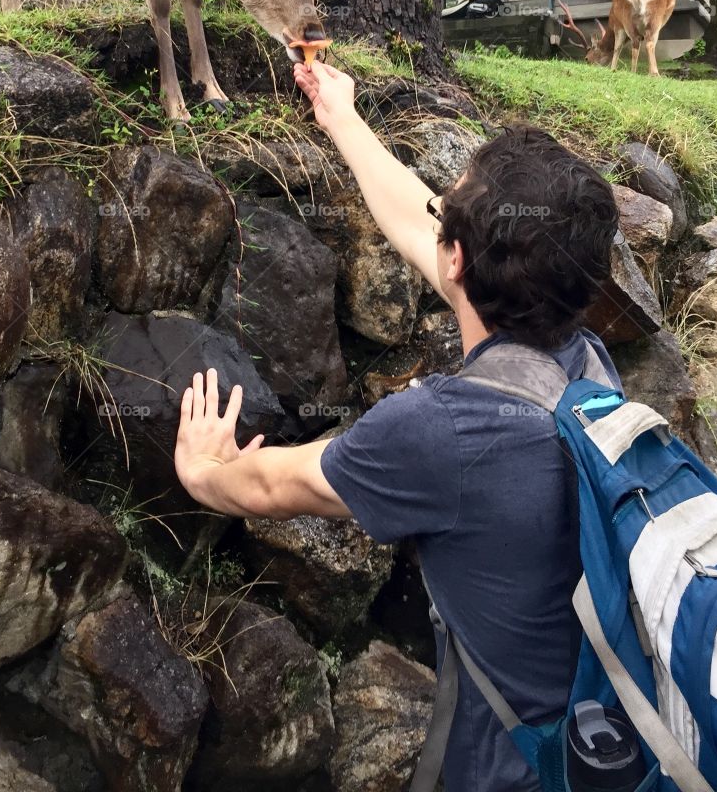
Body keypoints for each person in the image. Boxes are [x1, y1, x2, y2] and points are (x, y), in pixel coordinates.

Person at [175, 60, 622, 792]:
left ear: (458, 261)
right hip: (609, 744)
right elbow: (431, 231)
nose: (438, 212)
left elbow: (272, 485)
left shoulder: (442, 431)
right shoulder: (586, 362)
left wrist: (203, 470)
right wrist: (342, 119)